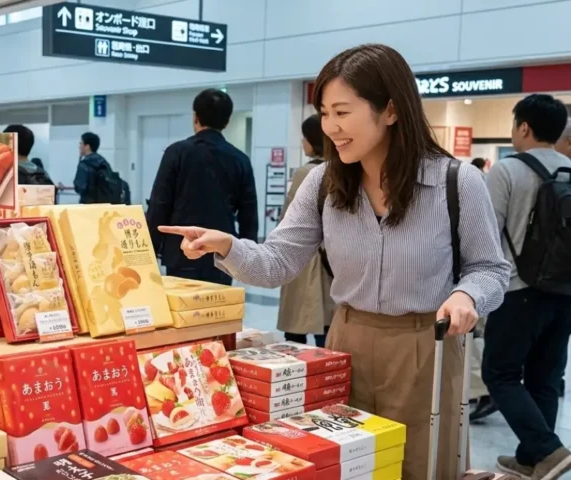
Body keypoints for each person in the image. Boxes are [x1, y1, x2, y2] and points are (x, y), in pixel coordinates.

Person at [159, 44, 510, 479]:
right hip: (347, 343)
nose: (331, 127)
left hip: (427, 348)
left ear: (391, 111)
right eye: (324, 113)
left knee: (419, 466)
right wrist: (227, 245)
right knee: (347, 466)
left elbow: (491, 269)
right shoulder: (323, 183)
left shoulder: (457, 182)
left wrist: (466, 294)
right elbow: (277, 262)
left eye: (342, 112)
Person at [482, 94, 571, 479]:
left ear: (523, 128)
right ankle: (530, 458)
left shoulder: (506, 171)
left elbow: (483, 232)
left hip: (517, 290)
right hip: (565, 292)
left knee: (499, 374)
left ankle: (549, 450)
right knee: (546, 378)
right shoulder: (570, 169)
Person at [147, 88, 258, 286]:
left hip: (182, 250)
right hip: (223, 252)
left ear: (195, 117)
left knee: (183, 311)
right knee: (217, 312)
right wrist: (246, 256)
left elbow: (160, 203)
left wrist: (150, 249)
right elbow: (249, 213)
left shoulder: (177, 152)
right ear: (227, 121)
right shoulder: (240, 159)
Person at [278, 114, 334, 346]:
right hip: (333, 257)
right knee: (328, 324)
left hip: (306, 260)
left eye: (305, 138)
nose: (302, 143)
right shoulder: (344, 169)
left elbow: (288, 219)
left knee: (299, 326)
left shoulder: (306, 173)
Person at [74, 132, 127, 204]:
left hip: (88, 206)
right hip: (104, 205)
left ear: (87, 146)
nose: (79, 146)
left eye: (81, 143)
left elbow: (79, 187)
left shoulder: (85, 164)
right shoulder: (103, 162)